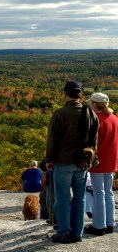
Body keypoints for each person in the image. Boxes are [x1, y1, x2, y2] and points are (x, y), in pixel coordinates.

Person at [45, 81, 99, 244]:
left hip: (63, 162)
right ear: (80, 95)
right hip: (82, 163)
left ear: (66, 94)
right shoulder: (90, 114)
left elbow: (52, 140)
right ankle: (77, 233)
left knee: (62, 198)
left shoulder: (60, 114)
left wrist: (49, 159)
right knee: (80, 198)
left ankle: (63, 232)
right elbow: (94, 141)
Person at [85, 93, 118, 236]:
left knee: (98, 193)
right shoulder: (114, 119)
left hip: (98, 161)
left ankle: (98, 226)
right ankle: (110, 223)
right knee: (108, 192)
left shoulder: (95, 119)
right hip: (111, 160)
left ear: (95, 105)